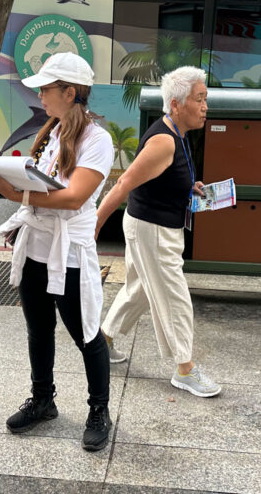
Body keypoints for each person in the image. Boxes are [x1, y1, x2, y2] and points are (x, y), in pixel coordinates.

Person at [0, 52, 114, 451]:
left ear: (70, 92)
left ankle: (99, 410)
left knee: (86, 333)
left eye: (46, 88)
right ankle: (43, 400)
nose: (40, 95)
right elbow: (44, 187)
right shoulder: (52, 131)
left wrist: (17, 192)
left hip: (69, 251)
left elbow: (74, 197)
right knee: (38, 330)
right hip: (38, 245)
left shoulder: (97, 139)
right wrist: (16, 183)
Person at [96, 66, 221, 398]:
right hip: (151, 230)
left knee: (139, 289)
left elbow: (165, 177)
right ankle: (186, 369)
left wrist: (188, 188)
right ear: (177, 104)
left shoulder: (178, 132)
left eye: (205, 98)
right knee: (174, 296)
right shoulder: (165, 140)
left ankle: (102, 341)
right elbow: (123, 183)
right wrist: (94, 225)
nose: (206, 105)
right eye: (200, 98)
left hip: (155, 226)